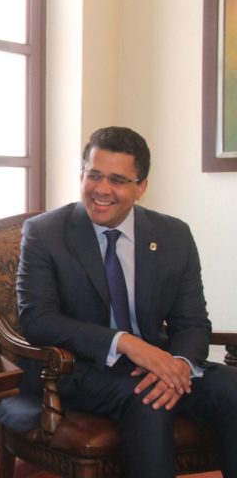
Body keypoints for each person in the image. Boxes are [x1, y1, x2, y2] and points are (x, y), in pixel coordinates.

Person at [16, 126, 237, 477]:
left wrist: (177, 365)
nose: (102, 190)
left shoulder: (173, 235)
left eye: (118, 180)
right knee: (147, 398)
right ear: (82, 174)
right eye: (94, 175)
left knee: (231, 386)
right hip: (77, 370)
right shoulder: (44, 232)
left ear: (141, 187)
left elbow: (192, 320)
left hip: (154, 363)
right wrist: (126, 344)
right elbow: (37, 319)